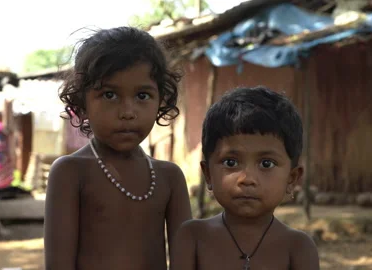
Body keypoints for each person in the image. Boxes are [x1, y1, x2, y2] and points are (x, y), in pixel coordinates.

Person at [44, 26, 192, 270]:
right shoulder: (70, 173)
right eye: (110, 95)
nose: (127, 112)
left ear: (160, 101)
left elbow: (185, 262)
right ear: (82, 103)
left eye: (142, 96)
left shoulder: (169, 177)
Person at [170, 86, 320, 270]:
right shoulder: (192, 238)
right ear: (208, 174)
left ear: (291, 179)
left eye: (266, 164)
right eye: (231, 163)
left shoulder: (298, 248)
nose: (247, 179)